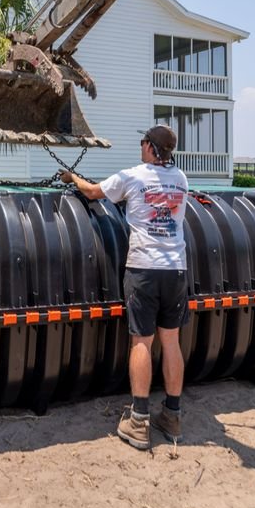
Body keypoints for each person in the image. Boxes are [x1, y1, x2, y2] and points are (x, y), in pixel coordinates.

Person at [59, 124, 189, 450]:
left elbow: (92, 192)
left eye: (143, 141)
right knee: (171, 342)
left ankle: (139, 421)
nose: (141, 145)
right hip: (176, 269)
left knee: (141, 343)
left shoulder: (133, 177)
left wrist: (70, 178)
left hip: (144, 270)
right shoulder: (181, 180)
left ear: (149, 147)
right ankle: (172, 415)